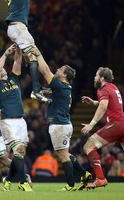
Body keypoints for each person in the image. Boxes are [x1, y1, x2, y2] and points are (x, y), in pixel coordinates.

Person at [31, 45, 92, 191]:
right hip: (62, 124)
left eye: (60, 69)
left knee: (63, 155)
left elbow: (45, 71)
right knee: (64, 153)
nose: (57, 70)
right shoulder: (62, 88)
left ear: (64, 75)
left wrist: (38, 53)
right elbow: (46, 89)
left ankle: (70, 185)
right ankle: (84, 174)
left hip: (59, 125)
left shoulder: (60, 85)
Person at [5, 0, 50, 103]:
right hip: (18, 27)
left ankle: (37, 88)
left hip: (15, 28)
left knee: (26, 57)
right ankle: (36, 90)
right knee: (34, 55)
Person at [0, 44, 33, 191]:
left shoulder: (14, 78)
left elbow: (17, 62)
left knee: (20, 154)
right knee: (18, 150)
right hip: (8, 120)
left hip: (21, 120)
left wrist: (19, 48)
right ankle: (22, 182)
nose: (2, 68)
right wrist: (5, 53)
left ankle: (8, 179)